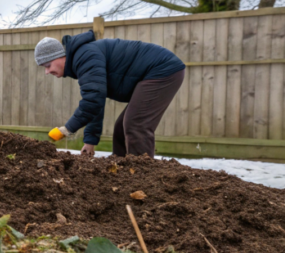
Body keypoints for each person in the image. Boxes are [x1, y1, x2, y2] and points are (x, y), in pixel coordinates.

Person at [34, 30, 185, 158]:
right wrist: (90, 141)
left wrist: (66, 129)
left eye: (48, 65)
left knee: (136, 125)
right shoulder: (81, 60)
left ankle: (142, 180)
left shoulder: (85, 56)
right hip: (155, 72)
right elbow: (96, 103)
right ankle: (121, 171)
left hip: (162, 70)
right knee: (122, 127)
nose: (47, 72)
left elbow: (92, 101)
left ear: (61, 55)